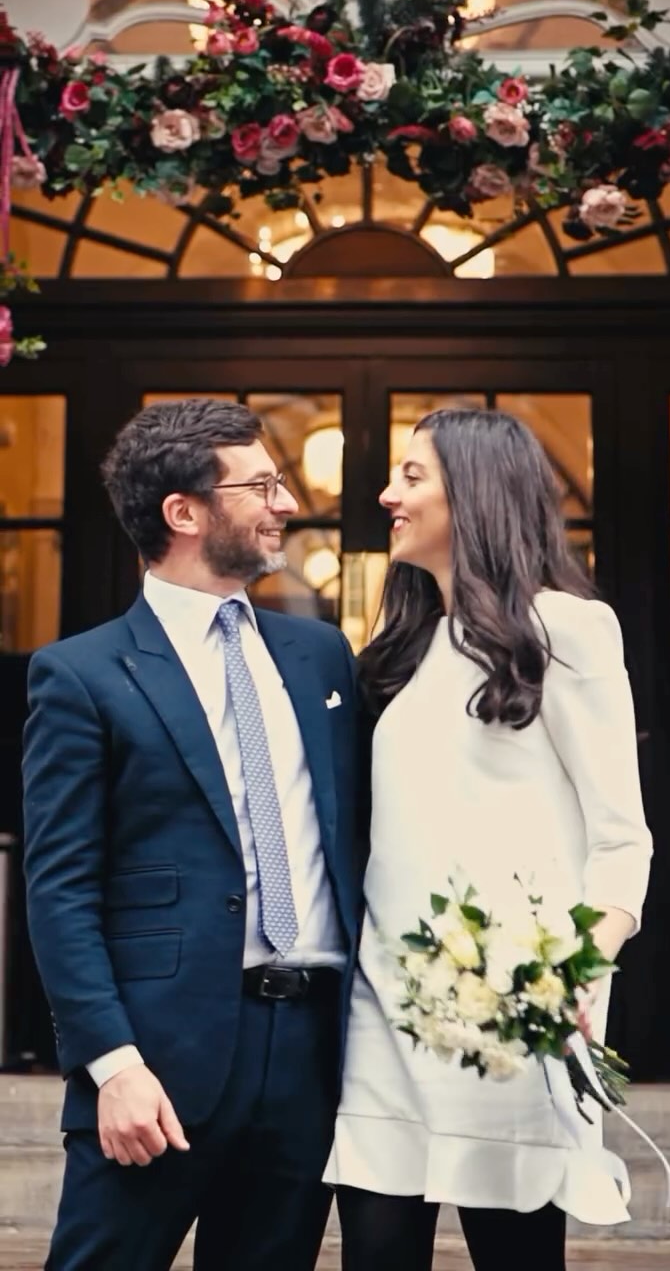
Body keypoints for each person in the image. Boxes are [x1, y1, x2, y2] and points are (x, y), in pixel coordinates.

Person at [23, 397, 362, 1271]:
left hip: (309, 1055)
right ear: (185, 512)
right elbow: (60, 889)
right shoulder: (81, 674)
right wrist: (111, 1063)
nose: (284, 503)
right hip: (156, 1062)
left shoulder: (319, 657)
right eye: (261, 485)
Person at [324, 408, 653, 1271]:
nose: (388, 494)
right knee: (378, 1249)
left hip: (508, 1024)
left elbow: (623, 840)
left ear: (474, 493)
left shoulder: (567, 631)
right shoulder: (398, 648)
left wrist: (572, 977)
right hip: (382, 1017)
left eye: (413, 476)